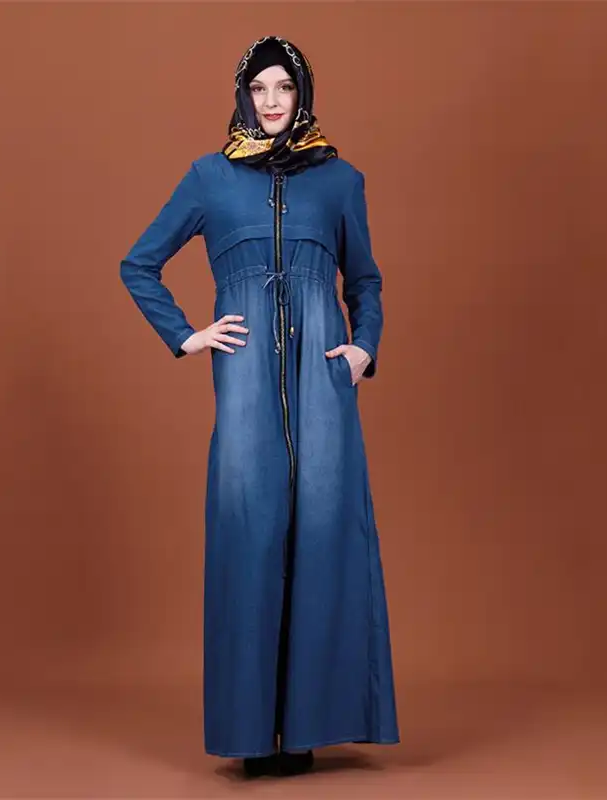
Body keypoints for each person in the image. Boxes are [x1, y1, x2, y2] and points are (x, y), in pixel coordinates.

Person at [120, 35, 399, 778]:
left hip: (324, 384)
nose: (272, 101)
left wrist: (363, 347)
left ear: (302, 95)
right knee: (249, 532)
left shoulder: (340, 180)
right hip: (244, 381)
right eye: (259, 88)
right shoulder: (210, 178)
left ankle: (305, 730)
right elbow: (139, 263)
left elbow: (365, 281)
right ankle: (251, 735)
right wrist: (187, 336)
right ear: (243, 95)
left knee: (322, 533)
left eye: (284, 87)